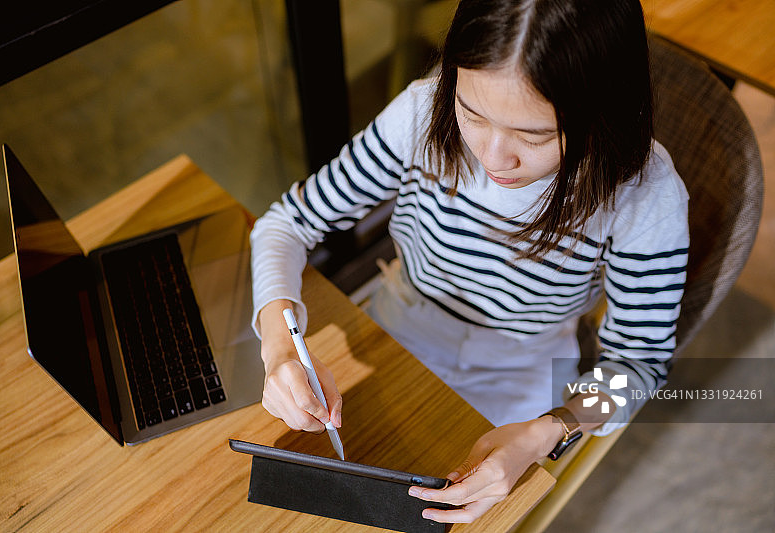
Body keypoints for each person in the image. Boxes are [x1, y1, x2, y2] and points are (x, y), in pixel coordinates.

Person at [249, 0, 688, 524]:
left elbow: (636, 366)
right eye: (472, 113)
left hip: (521, 378)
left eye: (534, 135)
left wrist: (550, 430)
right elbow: (287, 223)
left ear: (603, 111)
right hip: (393, 330)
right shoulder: (422, 111)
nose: (494, 156)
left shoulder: (644, 193)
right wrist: (279, 348)